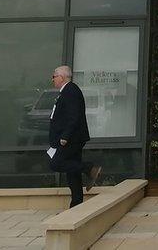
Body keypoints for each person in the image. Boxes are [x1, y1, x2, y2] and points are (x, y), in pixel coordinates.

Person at [48, 65, 101, 208]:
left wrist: (65, 136)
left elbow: (74, 116)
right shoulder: (67, 91)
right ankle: (76, 204)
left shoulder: (70, 90)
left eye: (54, 76)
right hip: (72, 138)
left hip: (71, 139)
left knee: (56, 163)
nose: (52, 80)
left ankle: (89, 168)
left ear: (61, 77)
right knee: (72, 172)